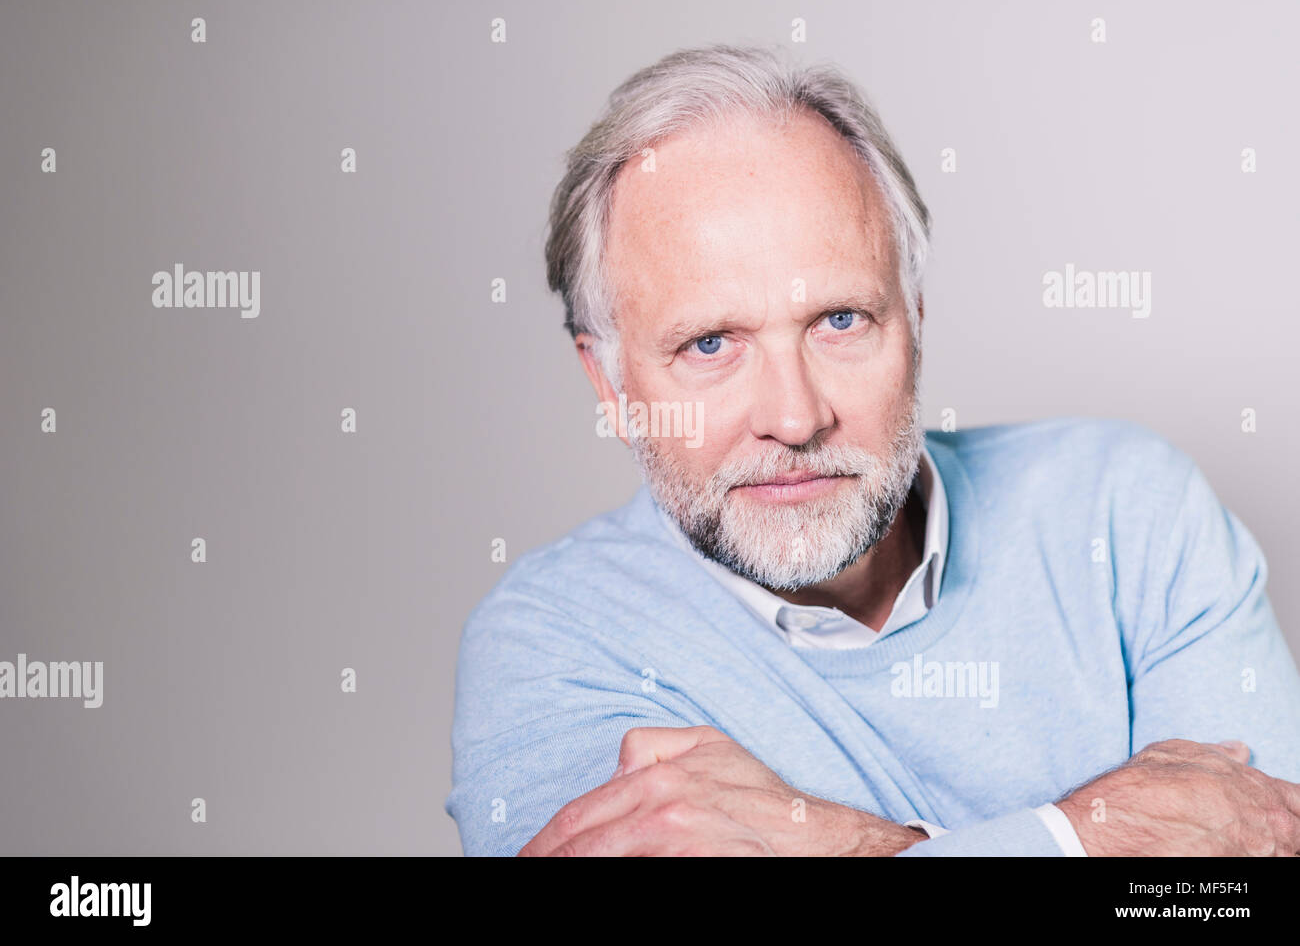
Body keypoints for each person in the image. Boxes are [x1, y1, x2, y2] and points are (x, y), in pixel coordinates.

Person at [446, 44, 1300, 857]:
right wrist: (1100, 838)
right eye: (710, 344)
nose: (794, 416)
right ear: (609, 380)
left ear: (915, 319)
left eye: (840, 320)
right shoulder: (550, 646)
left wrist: (823, 838)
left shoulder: (1128, 512)